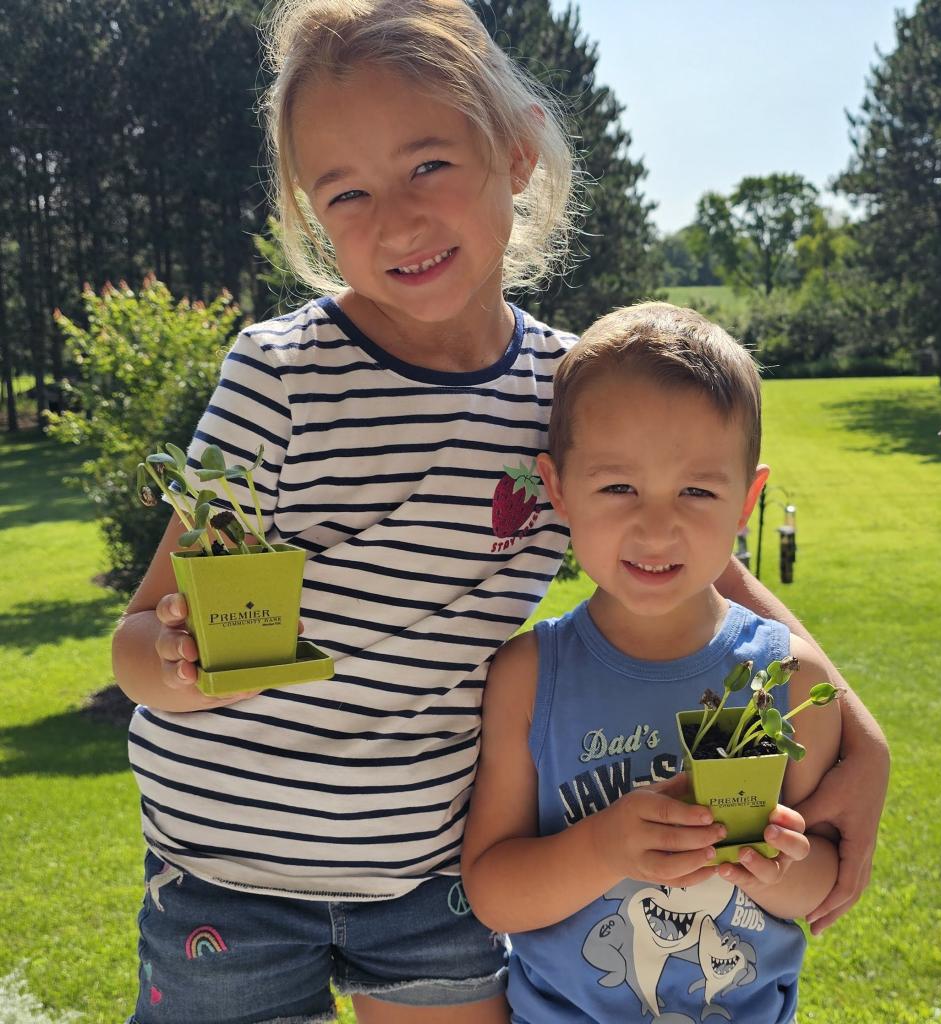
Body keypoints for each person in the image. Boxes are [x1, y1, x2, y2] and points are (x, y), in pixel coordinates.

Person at [110, 2, 885, 1021]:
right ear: (307, 211)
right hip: (227, 875)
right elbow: (136, 635)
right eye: (345, 193)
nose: (394, 220)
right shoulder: (281, 375)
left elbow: (718, 585)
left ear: (515, 153)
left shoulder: (563, 397)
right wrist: (165, 663)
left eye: (428, 165)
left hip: (432, 886)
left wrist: (860, 741)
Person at [461, 302, 878, 1023]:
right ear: (557, 488)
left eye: (697, 490)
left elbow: (826, 885)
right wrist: (604, 847)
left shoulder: (790, 680)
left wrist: (772, 866)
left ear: (747, 500)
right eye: (618, 487)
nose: (657, 527)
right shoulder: (529, 676)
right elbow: (492, 890)